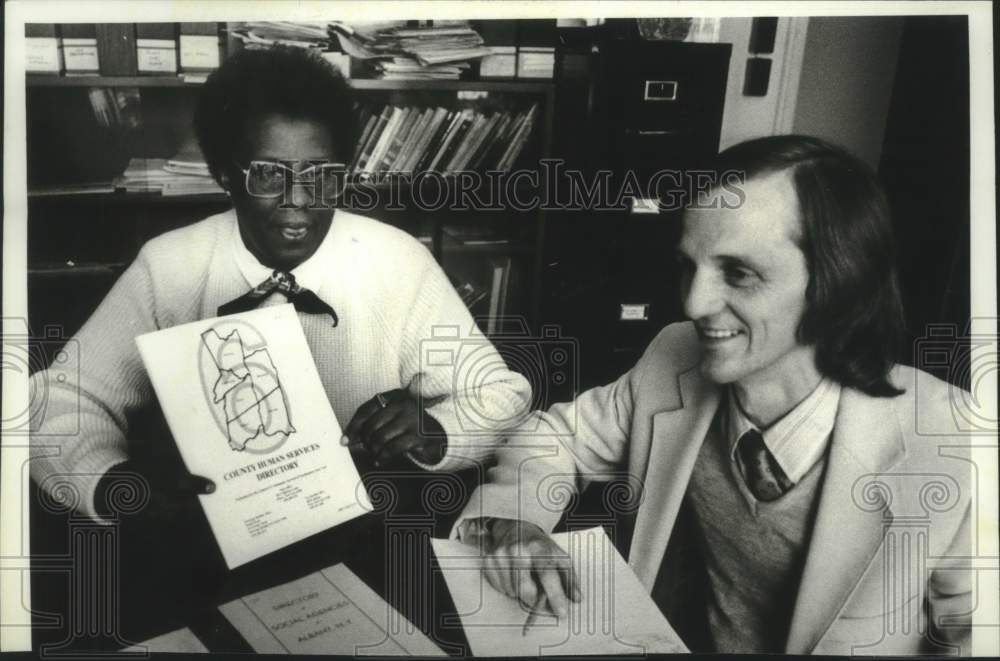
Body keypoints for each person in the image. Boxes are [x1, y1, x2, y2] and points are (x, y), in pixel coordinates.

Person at [453, 135, 972, 655]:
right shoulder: (672, 357)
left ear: (840, 282)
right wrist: (516, 519)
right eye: (688, 267)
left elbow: (974, 633)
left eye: (738, 273)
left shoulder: (956, 439)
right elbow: (554, 437)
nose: (694, 303)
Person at [28, 46, 531, 524]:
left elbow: (501, 394)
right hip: (207, 527)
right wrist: (110, 483)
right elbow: (58, 398)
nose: (299, 199)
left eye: (321, 175)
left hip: (367, 518)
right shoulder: (169, 265)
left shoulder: (398, 260)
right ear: (226, 173)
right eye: (269, 175)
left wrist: (438, 431)